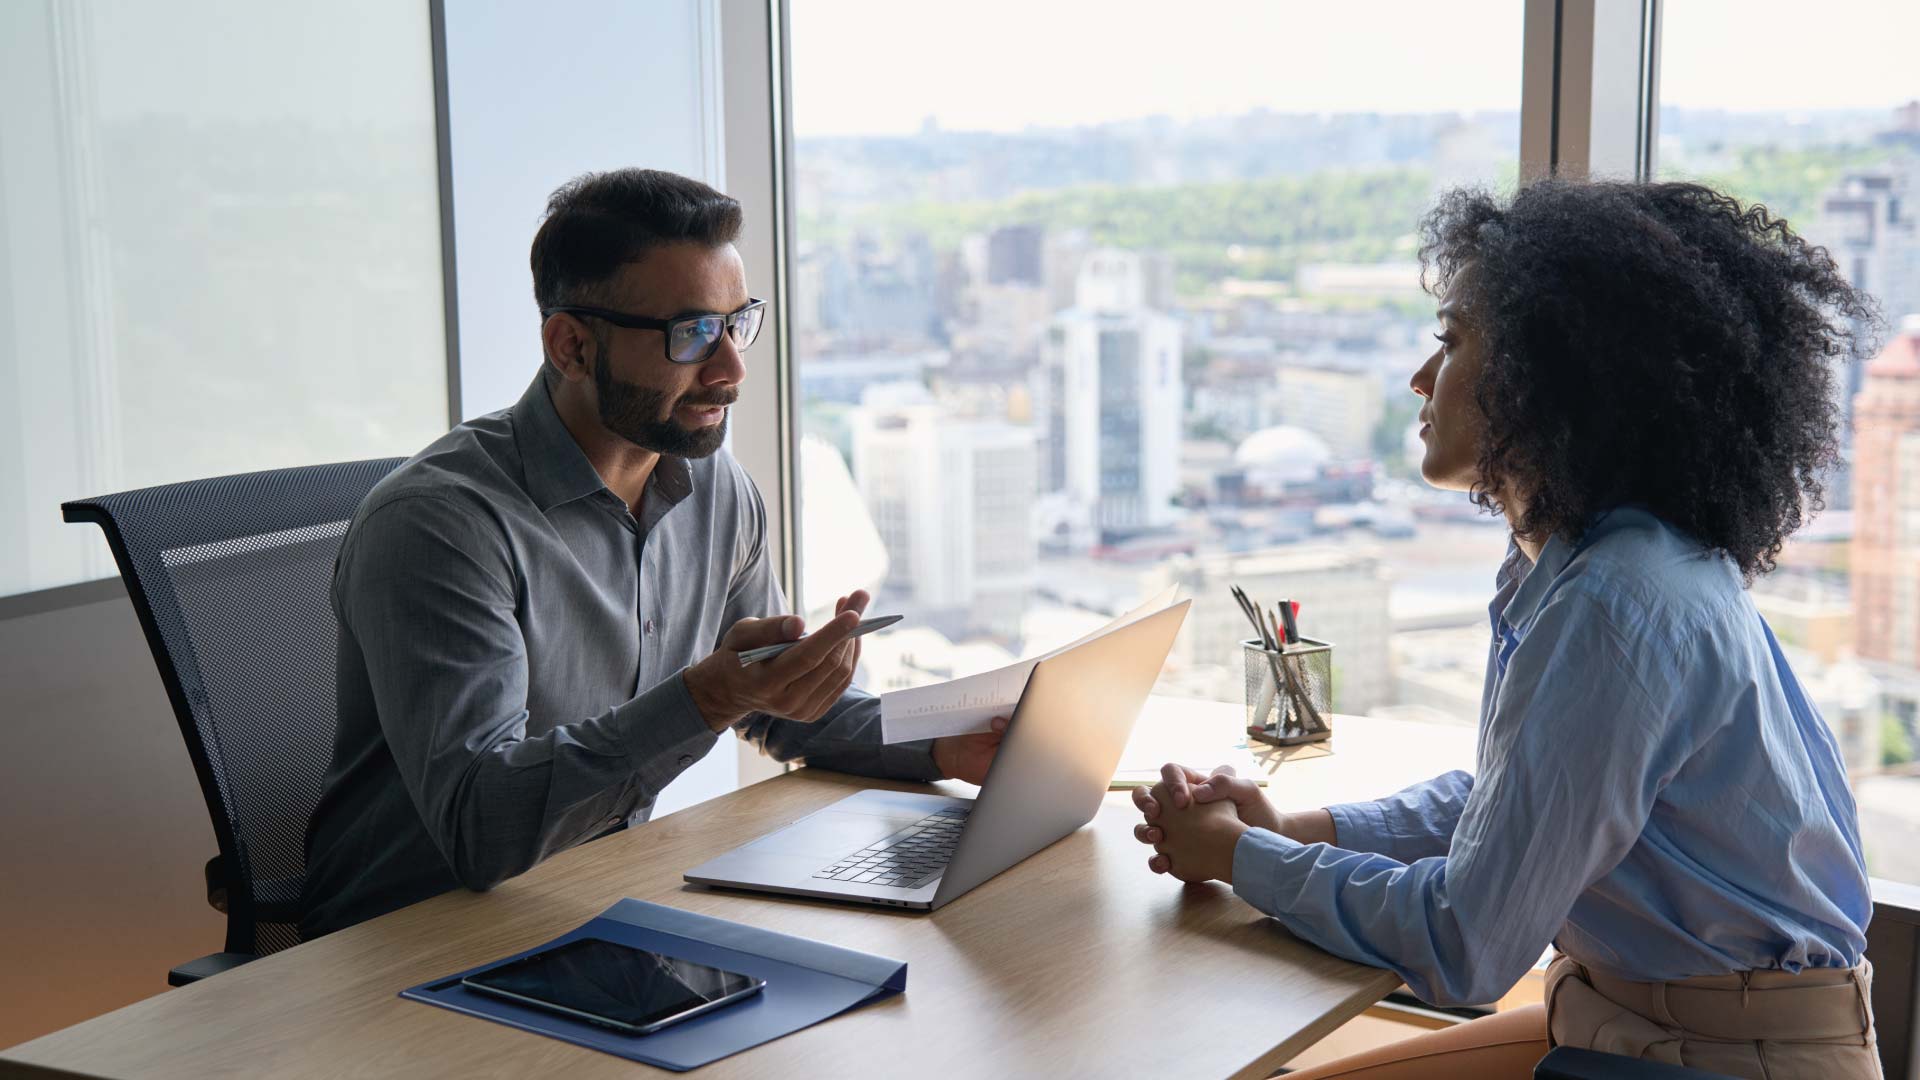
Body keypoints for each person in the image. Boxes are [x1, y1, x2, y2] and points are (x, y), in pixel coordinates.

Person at [1132, 180, 1883, 1079]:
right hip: (1629, 1023)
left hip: (1722, 1060)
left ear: (1550, 376)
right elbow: (1514, 805)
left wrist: (1241, 857)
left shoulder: (1614, 605)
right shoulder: (1588, 562)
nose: (1418, 378)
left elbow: (1468, 943)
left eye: (1449, 343)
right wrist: (1302, 828)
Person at [301, 168, 1004, 938]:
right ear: (572, 344)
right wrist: (706, 699)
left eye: (738, 324)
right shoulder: (440, 527)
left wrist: (940, 742)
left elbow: (779, 705)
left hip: (591, 902)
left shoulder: (714, 488)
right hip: (404, 946)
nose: (731, 369)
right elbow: (480, 828)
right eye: (692, 333)